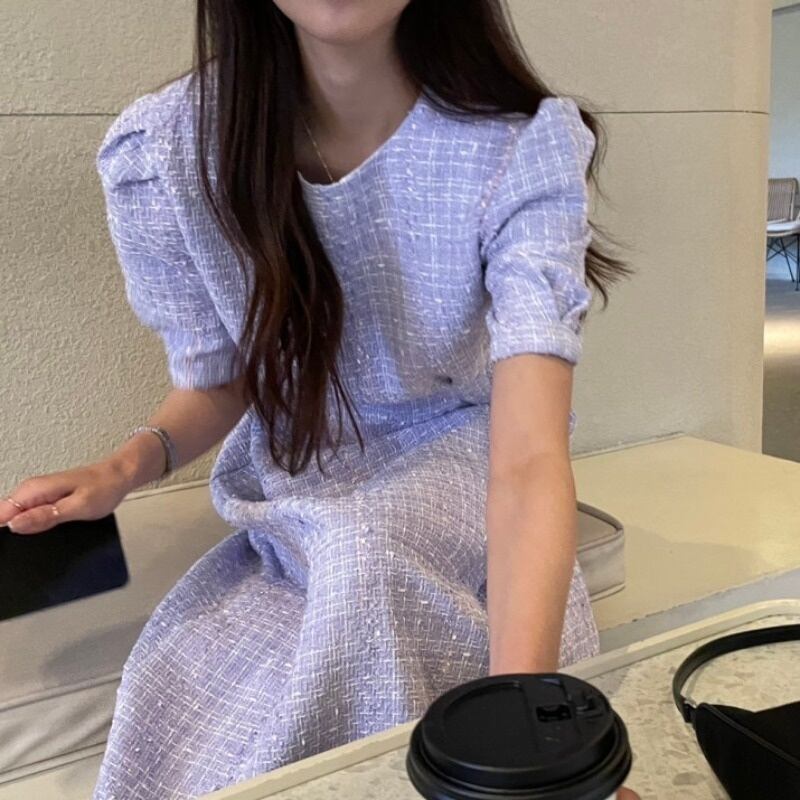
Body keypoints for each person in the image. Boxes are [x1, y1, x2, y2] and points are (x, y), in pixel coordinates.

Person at [0, 1, 640, 798]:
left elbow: (529, 455)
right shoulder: (167, 150)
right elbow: (223, 377)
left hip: (458, 449)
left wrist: (523, 744)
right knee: (226, 679)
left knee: (364, 557)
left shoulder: (518, 145)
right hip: (303, 470)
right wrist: (123, 469)